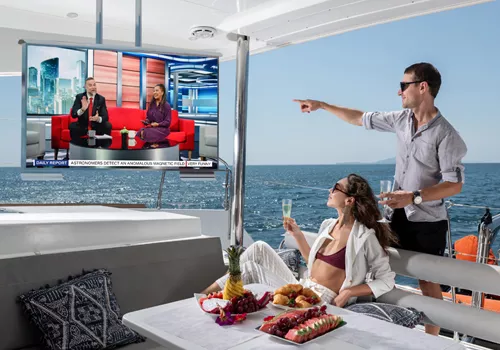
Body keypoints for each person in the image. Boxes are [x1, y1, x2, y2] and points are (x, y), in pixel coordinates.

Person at [293, 62, 467, 335]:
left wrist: (414, 196)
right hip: (394, 215)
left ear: (422, 87)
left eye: (403, 86)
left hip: (427, 221)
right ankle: (374, 325)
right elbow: (359, 117)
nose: (399, 92)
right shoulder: (400, 120)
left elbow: (454, 185)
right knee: (377, 266)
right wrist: (322, 105)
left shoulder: (447, 135)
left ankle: (431, 341)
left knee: (427, 282)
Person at [202, 174, 397, 308]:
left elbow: (386, 279)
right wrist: (297, 235)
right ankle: (211, 295)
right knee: (259, 247)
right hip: (302, 286)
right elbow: (314, 265)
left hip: (321, 299)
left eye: (336, 187)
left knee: (251, 269)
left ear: (349, 200)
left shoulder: (364, 237)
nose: (330, 189)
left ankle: (203, 298)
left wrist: (350, 292)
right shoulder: (329, 225)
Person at [70, 77, 111, 141]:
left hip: (96, 126)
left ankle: (104, 148)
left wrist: (98, 119)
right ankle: (77, 148)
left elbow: (106, 117)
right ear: (85, 87)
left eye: (94, 85)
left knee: (107, 125)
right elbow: (73, 114)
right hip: (83, 125)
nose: (93, 87)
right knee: (73, 126)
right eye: (90, 85)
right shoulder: (79, 97)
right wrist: (82, 109)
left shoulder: (101, 99)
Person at [137, 84, 171, 148]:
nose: (154, 92)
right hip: (153, 128)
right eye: (154, 91)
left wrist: (158, 124)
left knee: (145, 132)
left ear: (162, 92)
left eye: (157, 90)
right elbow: (149, 117)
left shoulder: (166, 105)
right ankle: (150, 146)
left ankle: (155, 146)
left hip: (163, 129)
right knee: (141, 131)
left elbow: (167, 122)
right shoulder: (152, 105)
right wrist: (146, 121)